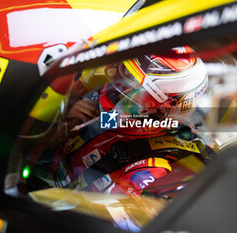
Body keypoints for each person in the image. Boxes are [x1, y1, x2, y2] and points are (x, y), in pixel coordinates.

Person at [27, 46, 215, 198]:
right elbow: (32, 150)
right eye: (124, 77)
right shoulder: (94, 99)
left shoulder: (153, 167)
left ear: (162, 110)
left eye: (137, 93)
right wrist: (64, 120)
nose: (119, 92)